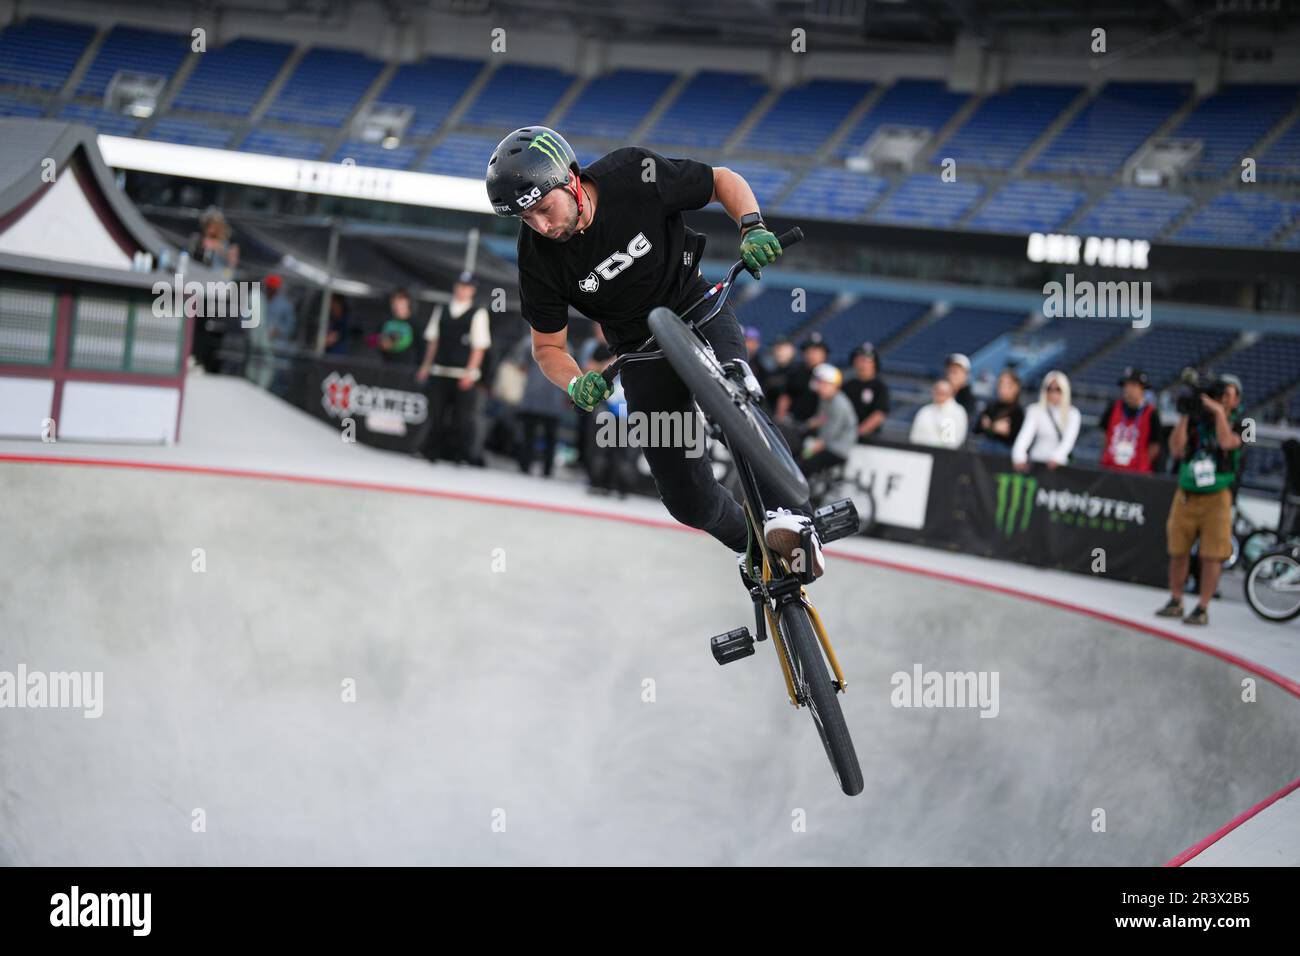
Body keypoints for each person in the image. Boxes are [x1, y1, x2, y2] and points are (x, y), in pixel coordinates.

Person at [486, 125, 824, 575]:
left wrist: (751, 225)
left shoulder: (633, 174)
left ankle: (793, 521)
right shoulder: (537, 257)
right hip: (638, 352)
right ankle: (756, 548)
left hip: (697, 307)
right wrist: (574, 380)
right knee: (689, 501)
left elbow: (722, 180)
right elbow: (548, 346)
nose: (542, 227)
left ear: (570, 180)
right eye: (527, 220)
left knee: (732, 395)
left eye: (544, 210)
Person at [1156, 374, 1245, 626]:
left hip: (1217, 496)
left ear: (1237, 399)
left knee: (1212, 554)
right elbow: (1176, 449)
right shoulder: (1196, 420)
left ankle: (1203, 606)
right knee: (1178, 550)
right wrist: (1186, 415)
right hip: (1186, 492)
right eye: (1219, 394)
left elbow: (1228, 443)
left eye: (1227, 395)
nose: (1221, 399)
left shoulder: (1246, 423)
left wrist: (1219, 414)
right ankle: (1175, 600)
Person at [417, 274, 491, 465]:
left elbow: (479, 347)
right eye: (460, 286)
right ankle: (431, 451)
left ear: (472, 290)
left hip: (462, 373)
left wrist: (470, 372)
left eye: (467, 287)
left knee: (461, 418)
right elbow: (434, 341)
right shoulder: (442, 310)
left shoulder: (478, 313)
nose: (462, 290)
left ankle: (458, 455)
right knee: (436, 414)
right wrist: (426, 366)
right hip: (440, 369)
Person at [799, 364, 859, 481]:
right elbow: (821, 418)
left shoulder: (838, 404)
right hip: (828, 444)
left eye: (822, 383)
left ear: (833, 385)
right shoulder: (826, 399)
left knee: (805, 463)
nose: (818, 386)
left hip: (837, 449)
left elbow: (828, 435)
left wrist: (807, 452)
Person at [1012, 370, 1080, 470]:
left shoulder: (1073, 414)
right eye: (1049, 389)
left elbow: (1069, 440)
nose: (1053, 393)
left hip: (1060, 465)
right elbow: (1025, 434)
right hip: (1036, 461)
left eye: (1058, 389)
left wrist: (1057, 457)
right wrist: (1019, 456)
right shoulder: (1034, 410)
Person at [1099, 367, 1161, 473]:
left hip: (1137, 473)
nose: (1128, 389)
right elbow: (1104, 436)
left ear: (1143, 389)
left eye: (1133, 385)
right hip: (1110, 469)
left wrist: (1142, 464)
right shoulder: (1113, 407)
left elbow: (1155, 446)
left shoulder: (1152, 414)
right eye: (1126, 385)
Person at [843, 342, 889, 443]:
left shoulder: (880, 387)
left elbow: (879, 415)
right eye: (859, 360)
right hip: (845, 435)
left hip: (869, 439)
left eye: (867, 361)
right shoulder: (847, 385)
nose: (863, 364)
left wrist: (858, 432)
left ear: (874, 364)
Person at [972, 368, 1025, 455]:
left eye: (1008, 385)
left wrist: (990, 427)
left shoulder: (1019, 411)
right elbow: (977, 429)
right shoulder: (991, 406)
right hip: (984, 454)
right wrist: (993, 428)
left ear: (1016, 387)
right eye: (1001, 384)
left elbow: (1015, 438)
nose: (1003, 389)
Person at [910, 378, 968, 449]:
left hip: (944, 455)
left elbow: (950, 442)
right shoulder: (925, 411)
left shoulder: (957, 411)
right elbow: (915, 436)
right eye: (937, 391)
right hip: (921, 453)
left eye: (943, 392)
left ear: (951, 393)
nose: (939, 395)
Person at [378, 288, 419, 367]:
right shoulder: (386, 321)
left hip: (407, 368)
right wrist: (381, 342)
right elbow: (371, 340)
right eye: (394, 303)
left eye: (400, 302)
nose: (397, 306)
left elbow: (423, 346)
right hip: (387, 365)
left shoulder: (415, 323)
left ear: (408, 302)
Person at [945, 353, 977, 418]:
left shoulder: (969, 398)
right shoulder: (943, 393)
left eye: (955, 372)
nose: (951, 375)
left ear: (966, 374)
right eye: (949, 371)